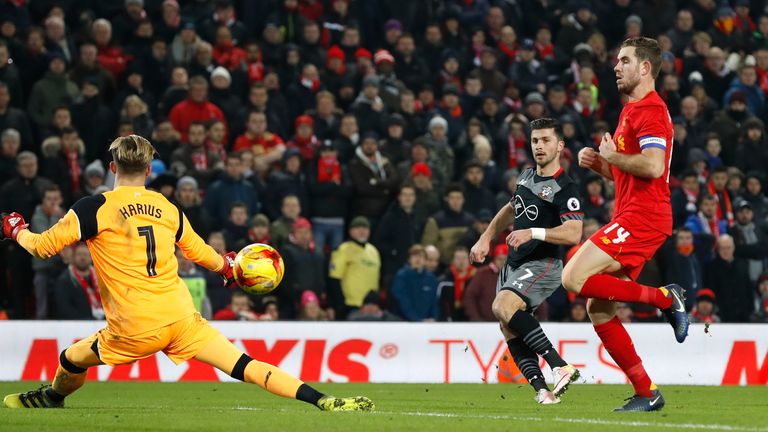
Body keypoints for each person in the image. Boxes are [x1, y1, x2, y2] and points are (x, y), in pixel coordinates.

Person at [1, 135, 372, 412]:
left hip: (133, 328)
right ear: (148, 171)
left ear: (112, 168)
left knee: (71, 358)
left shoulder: (94, 207)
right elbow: (202, 253)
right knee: (244, 365)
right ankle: (323, 400)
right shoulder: (167, 207)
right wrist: (230, 267)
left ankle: (52, 397)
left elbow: (42, 247)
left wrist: (15, 228)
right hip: (181, 319)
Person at [564, 37, 688, 412]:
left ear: (645, 68)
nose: (616, 67)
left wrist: (614, 155)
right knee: (599, 310)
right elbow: (633, 175)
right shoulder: (630, 111)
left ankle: (666, 297)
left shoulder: (650, 110)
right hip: (633, 213)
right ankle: (647, 392)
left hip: (644, 217)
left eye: (624, 61)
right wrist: (603, 165)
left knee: (573, 277)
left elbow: (652, 165)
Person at [470, 117, 584, 405]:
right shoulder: (526, 177)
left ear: (560, 145)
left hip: (543, 263)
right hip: (515, 264)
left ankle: (560, 366)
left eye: (546, 140)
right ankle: (542, 390)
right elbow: (511, 209)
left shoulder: (565, 187)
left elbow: (573, 233)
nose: (539, 146)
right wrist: (486, 238)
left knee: (502, 305)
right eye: (535, 141)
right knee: (507, 323)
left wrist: (532, 232)